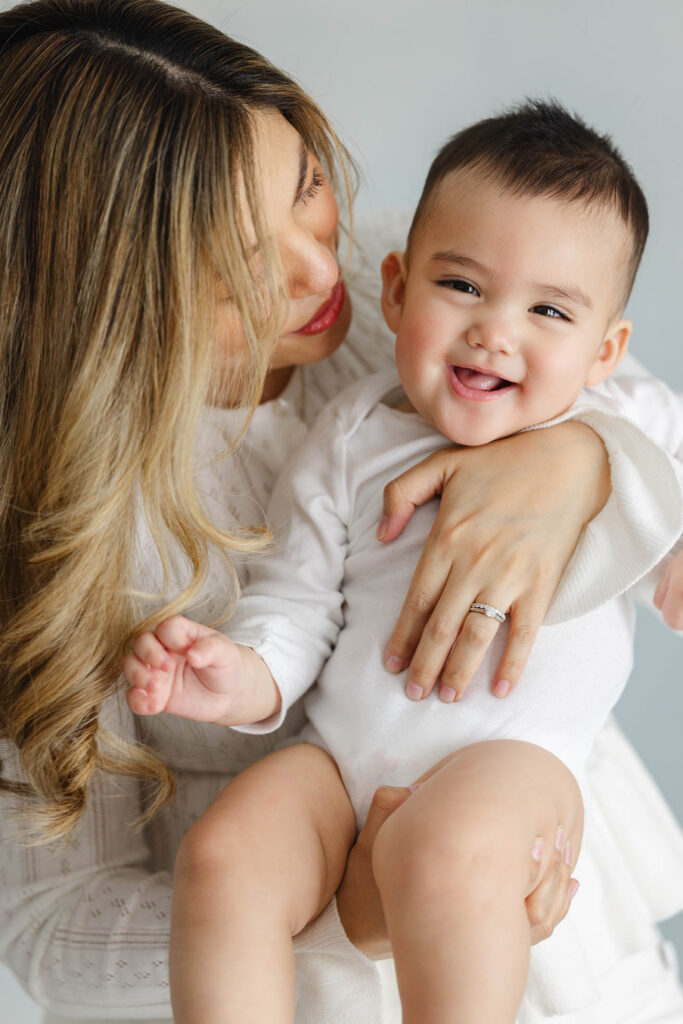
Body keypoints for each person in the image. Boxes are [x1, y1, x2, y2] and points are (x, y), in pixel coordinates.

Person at [0, 2, 680, 1022]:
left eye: (306, 186)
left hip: (541, 883)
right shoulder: (55, 517)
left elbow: (627, 395)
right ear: (105, 300)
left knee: (455, 855)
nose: (321, 270)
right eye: (237, 260)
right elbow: (49, 927)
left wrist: (581, 458)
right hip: (319, 849)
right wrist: (343, 916)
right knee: (229, 854)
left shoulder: (420, 269)